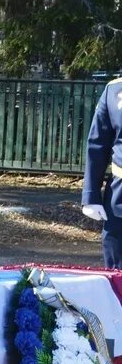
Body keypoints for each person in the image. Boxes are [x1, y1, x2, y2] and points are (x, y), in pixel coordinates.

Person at [83, 77, 122, 267]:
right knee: (117, 274)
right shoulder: (114, 90)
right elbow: (97, 145)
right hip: (120, 197)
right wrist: (91, 196)